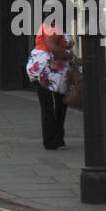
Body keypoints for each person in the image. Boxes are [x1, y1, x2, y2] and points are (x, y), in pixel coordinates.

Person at [26, 19, 76, 150]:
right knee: (52, 106)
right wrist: (72, 57)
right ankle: (51, 140)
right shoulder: (51, 26)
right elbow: (52, 47)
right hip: (48, 71)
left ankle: (57, 138)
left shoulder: (57, 26)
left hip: (57, 72)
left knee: (59, 105)